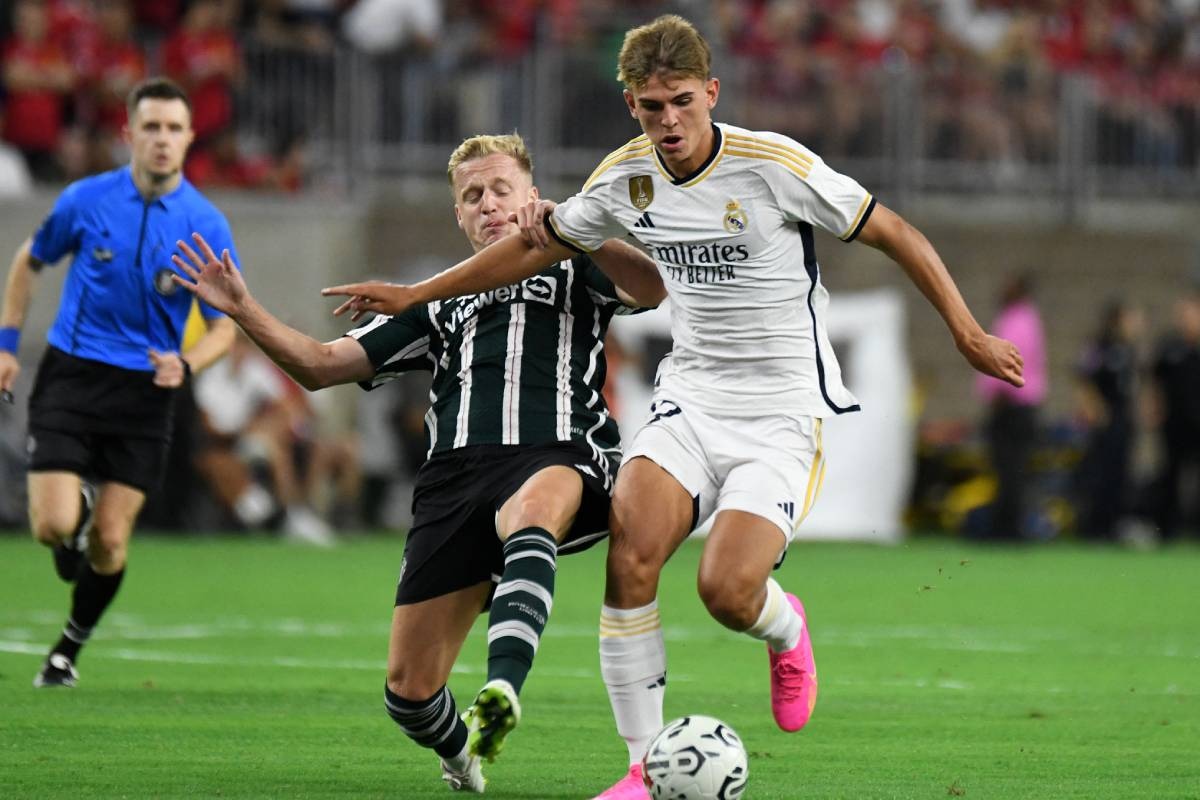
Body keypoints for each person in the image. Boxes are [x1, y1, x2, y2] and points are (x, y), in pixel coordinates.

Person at [320, 15, 1024, 799]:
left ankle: (785, 629)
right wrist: (416, 294)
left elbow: (893, 231)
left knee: (725, 591)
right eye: (651, 107)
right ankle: (642, 768)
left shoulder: (773, 166)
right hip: (690, 398)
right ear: (631, 104)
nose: (669, 122)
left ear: (712, 92)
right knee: (632, 549)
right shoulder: (623, 177)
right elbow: (535, 245)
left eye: (682, 102)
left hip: (783, 411)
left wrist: (966, 331)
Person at [171, 132, 664, 793]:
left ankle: (501, 692)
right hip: (454, 482)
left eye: (500, 189)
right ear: (459, 216)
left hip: (560, 450)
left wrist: (576, 229)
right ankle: (463, 757)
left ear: (532, 195)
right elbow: (320, 367)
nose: (488, 204)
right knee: (408, 692)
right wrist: (243, 309)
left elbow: (652, 287)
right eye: (471, 196)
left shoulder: (577, 266)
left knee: (535, 509)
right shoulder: (432, 298)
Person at [0, 77, 238, 688]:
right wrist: (5, 347)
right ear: (129, 133)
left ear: (189, 138)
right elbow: (28, 261)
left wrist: (186, 365)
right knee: (52, 527)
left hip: (147, 393)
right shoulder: (85, 200)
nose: (161, 139)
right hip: (73, 376)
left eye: (174, 128)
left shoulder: (205, 222)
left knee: (109, 542)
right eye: (151, 127)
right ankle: (69, 517)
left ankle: (66, 652)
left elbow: (224, 330)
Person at [975, 272, 1047, 540]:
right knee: (1010, 469)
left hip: (1013, 405)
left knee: (1010, 470)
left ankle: (1008, 528)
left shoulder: (1019, 320)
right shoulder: (1025, 318)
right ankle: (1008, 525)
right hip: (1018, 406)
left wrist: (999, 397)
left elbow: (1009, 363)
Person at [1072, 300, 1143, 541]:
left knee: (1120, 473)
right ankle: (1094, 527)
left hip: (1124, 419)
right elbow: (1083, 378)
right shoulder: (1099, 346)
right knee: (1099, 473)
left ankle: (1116, 525)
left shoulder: (1129, 349)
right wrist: (1093, 407)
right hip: (1104, 420)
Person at [1149, 291, 1200, 541]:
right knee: (1170, 475)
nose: (1184, 319)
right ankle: (1166, 530)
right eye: (1182, 314)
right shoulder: (1169, 346)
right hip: (1175, 424)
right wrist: (1154, 407)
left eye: (1190, 313)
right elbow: (1155, 381)